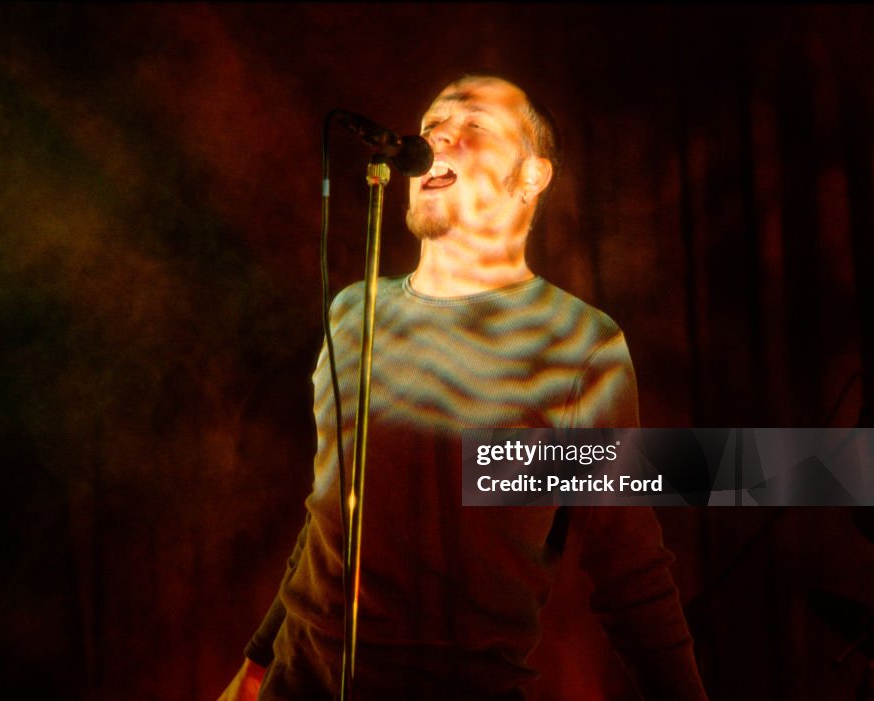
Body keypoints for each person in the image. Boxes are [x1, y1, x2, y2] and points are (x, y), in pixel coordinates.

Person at [220, 75, 708, 700]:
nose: (436, 135)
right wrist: (257, 664)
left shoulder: (578, 344)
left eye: (473, 125)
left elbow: (630, 571)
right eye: (429, 125)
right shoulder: (351, 314)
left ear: (532, 177)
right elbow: (331, 522)